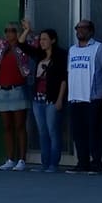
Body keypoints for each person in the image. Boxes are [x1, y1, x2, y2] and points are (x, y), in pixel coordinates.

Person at [66, 19, 102, 174]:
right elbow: (70, 72)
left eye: (83, 28)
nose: (79, 30)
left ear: (91, 31)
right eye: (77, 28)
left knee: (94, 133)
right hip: (75, 97)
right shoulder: (72, 50)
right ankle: (82, 162)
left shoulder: (99, 48)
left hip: (93, 97)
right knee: (78, 133)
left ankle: (96, 162)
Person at [0, 19, 33, 171]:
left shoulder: (24, 46)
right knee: (7, 126)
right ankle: (10, 159)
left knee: (20, 125)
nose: (9, 33)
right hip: (3, 90)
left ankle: (22, 160)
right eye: (7, 30)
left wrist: (27, 30)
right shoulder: (2, 47)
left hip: (18, 89)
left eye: (12, 30)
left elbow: (35, 43)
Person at [27, 26, 68, 173]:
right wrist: (26, 31)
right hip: (37, 100)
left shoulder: (60, 56)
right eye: (40, 39)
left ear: (53, 40)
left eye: (44, 39)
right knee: (42, 132)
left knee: (53, 131)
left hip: (52, 99)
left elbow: (64, 79)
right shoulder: (39, 55)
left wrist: (59, 99)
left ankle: (53, 164)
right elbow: (21, 45)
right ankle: (44, 164)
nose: (41, 42)